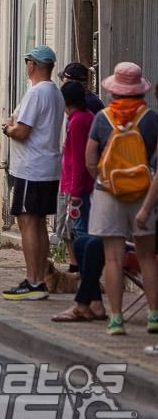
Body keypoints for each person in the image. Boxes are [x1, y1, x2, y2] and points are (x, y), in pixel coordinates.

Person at [87, 62, 158, 336]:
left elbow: (90, 160)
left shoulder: (102, 118)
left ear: (114, 90)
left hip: (109, 193)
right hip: (144, 194)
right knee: (147, 256)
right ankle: (153, 315)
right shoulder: (152, 119)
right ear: (140, 90)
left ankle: (116, 320)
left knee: (114, 258)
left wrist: (107, 181)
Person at [1, 45, 64, 300]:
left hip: (31, 167)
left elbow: (21, 130)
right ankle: (40, 279)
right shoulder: (55, 93)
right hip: (48, 165)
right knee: (38, 222)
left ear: (32, 65)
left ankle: (34, 280)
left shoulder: (37, 93)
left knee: (26, 221)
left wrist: (7, 129)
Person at [54, 81, 96, 270]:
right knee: (77, 229)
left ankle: (82, 270)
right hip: (80, 183)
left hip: (75, 185)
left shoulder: (78, 120)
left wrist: (75, 190)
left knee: (77, 229)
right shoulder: (87, 116)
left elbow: (79, 158)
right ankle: (77, 267)